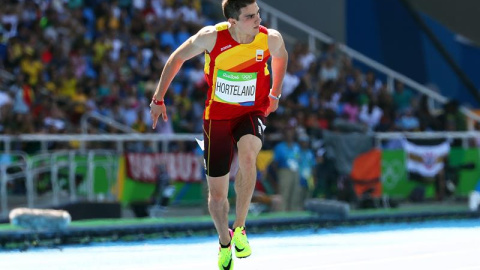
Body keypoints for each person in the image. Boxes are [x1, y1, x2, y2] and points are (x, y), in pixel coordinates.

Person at [149, 0, 288, 269]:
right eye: (250, 16)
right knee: (217, 195)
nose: (258, 19)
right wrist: (158, 99)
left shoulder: (269, 39)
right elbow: (176, 58)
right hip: (218, 118)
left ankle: (240, 229)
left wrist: (275, 93)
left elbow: (282, 56)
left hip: (252, 111)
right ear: (232, 21)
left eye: (258, 13)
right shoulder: (211, 37)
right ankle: (224, 242)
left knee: (249, 156)